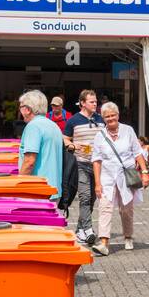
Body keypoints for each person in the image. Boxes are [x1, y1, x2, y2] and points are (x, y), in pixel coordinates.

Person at [90, 102, 148, 256]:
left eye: (112, 115)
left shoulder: (128, 131)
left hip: (126, 176)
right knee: (104, 208)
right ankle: (104, 243)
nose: (110, 119)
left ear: (118, 115)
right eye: (107, 117)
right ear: (103, 119)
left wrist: (145, 172)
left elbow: (137, 153)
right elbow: (96, 160)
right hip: (107, 177)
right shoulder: (99, 136)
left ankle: (128, 236)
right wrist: (97, 184)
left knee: (126, 210)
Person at [62, 90, 101, 245]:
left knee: (91, 199)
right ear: (83, 103)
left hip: (97, 165)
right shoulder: (73, 120)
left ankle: (80, 230)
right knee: (84, 197)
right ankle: (89, 230)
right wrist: (72, 145)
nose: (95, 104)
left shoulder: (100, 119)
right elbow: (65, 138)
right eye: (92, 102)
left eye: (96, 101)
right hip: (81, 163)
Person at [18, 89, 64, 202]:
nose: (19, 111)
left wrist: (17, 186)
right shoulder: (53, 125)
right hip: (53, 189)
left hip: (37, 191)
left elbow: (29, 161)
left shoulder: (33, 127)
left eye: (20, 107)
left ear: (27, 109)